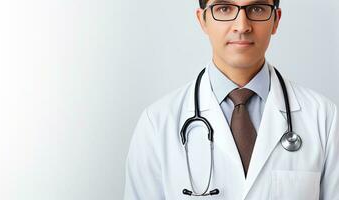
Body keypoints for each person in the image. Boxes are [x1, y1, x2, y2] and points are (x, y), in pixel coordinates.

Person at [123, 0, 339, 199]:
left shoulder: (324, 117)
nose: (242, 26)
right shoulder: (157, 122)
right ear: (202, 20)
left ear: (276, 20)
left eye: (257, 9)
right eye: (224, 8)